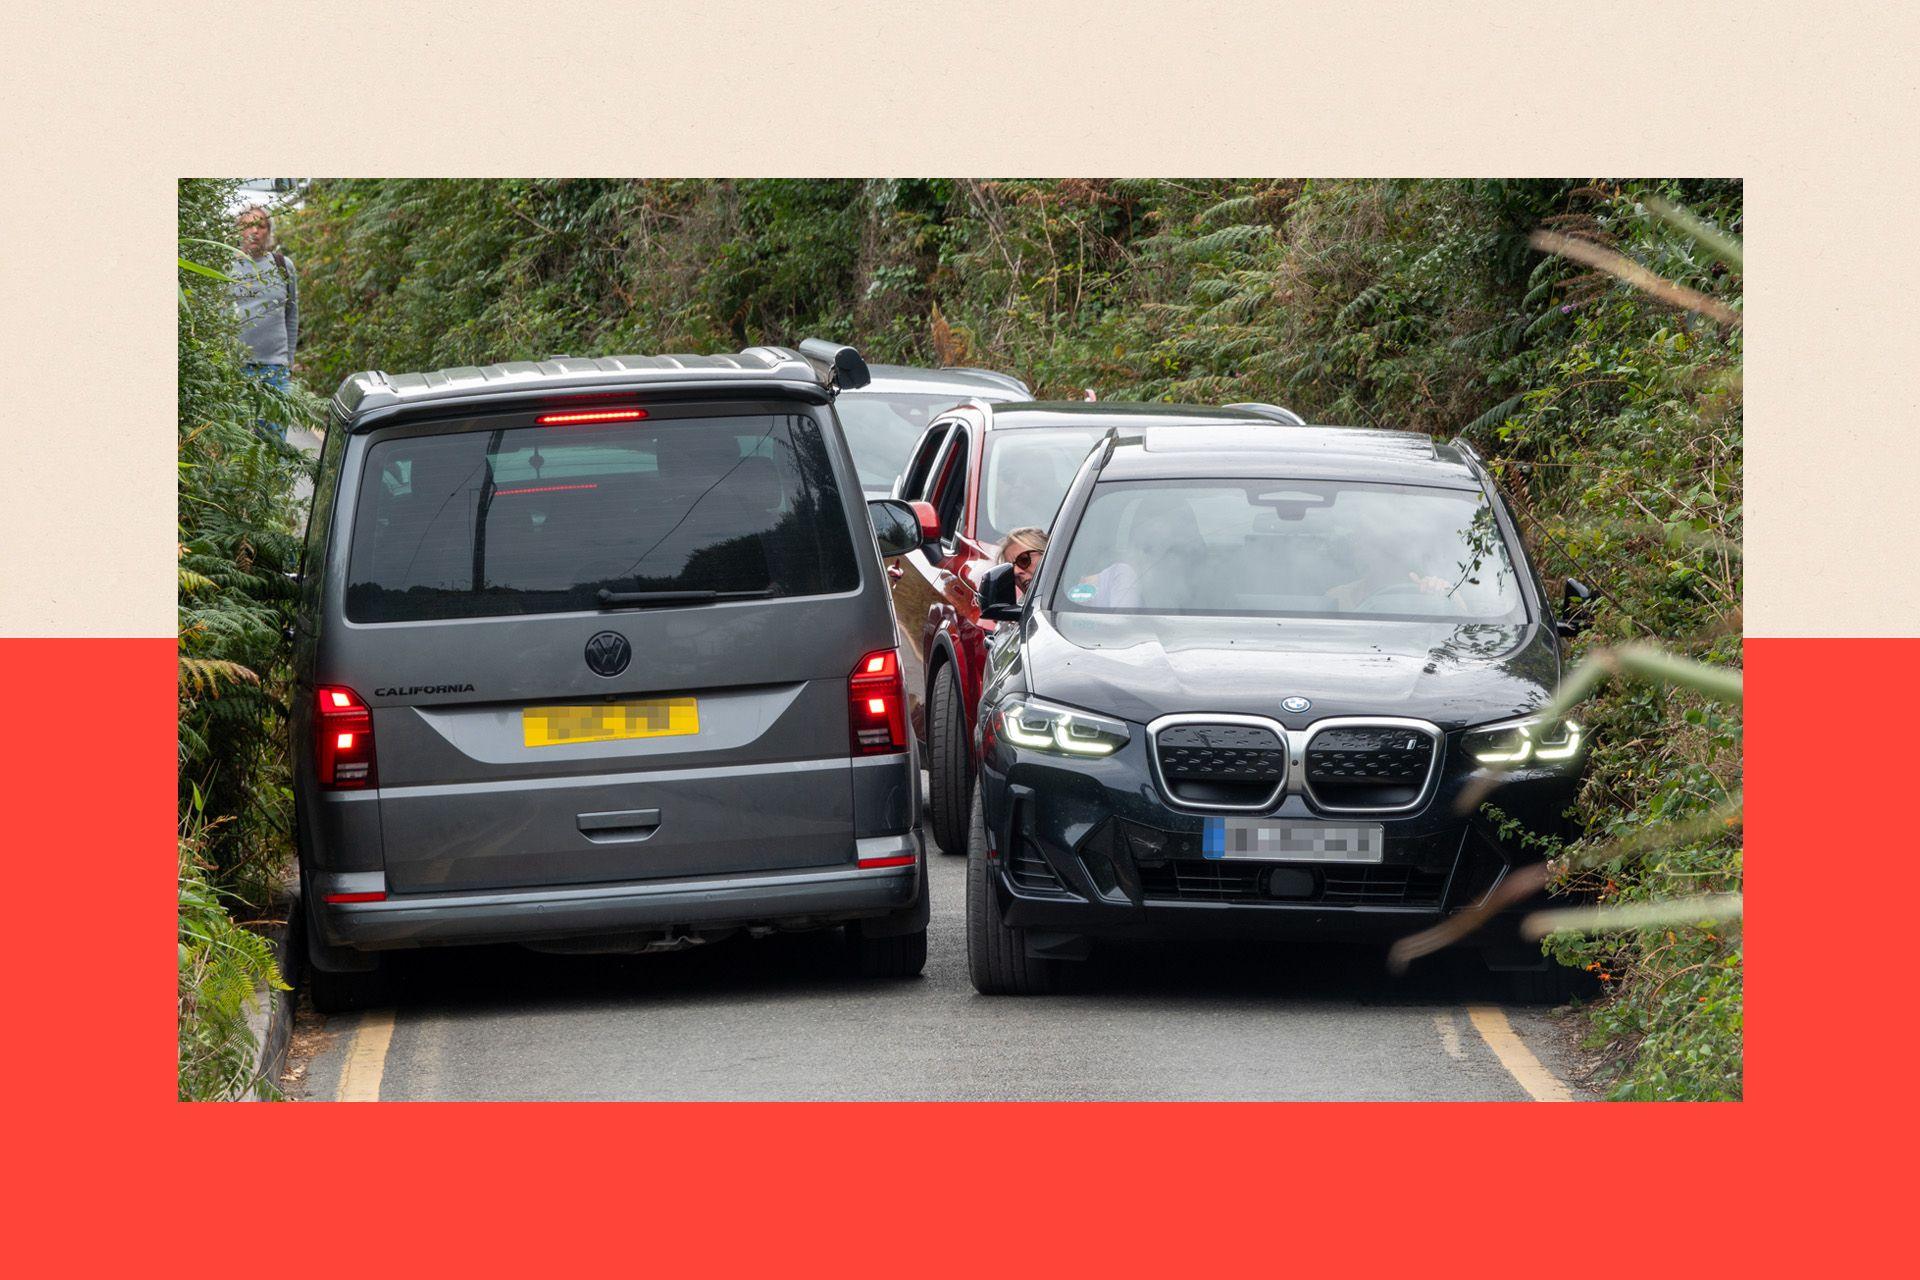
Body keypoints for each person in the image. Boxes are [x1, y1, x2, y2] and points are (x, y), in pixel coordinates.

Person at [231, 205, 299, 440]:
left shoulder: (283, 266)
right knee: (238, 442)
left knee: (273, 441)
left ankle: (275, 479)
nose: (254, 231)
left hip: (275, 368)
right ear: (239, 231)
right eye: (248, 225)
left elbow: (292, 314)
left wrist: (289, 360)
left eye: (260, 226)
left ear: (268, 232)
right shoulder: (228, 266)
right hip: (237, 368)